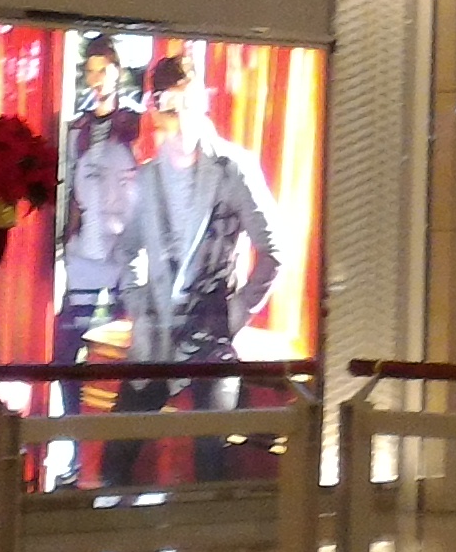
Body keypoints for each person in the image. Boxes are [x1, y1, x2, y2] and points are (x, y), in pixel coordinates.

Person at [107, 53, 282, 484]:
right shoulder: (148, 177)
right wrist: (140, 307)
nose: (180, 115)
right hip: (156, 338)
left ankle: (208, 526)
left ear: (202, 100)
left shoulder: (232, 168)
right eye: (170, 105)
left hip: (211, 338)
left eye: (188, 101)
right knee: (116, 457)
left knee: (210, 462)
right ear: (155, 110)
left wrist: (236, 313)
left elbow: (273, 251)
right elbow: (126, 250)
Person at [50, 44, 147, 470]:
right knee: (66, 347)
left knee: (126, 348)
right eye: (90, 71)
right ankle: (78, 446)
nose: (96, 79)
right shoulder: (79, 128)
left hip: (125, 252)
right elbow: (72, 185)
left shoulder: (136, 124)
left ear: (116, 73)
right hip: (87, 250)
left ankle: (115, 453)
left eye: (102, 71)